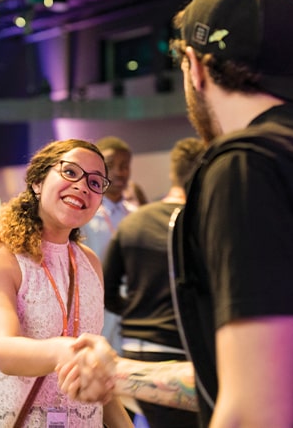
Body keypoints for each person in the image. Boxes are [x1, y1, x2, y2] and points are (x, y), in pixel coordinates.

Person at [64, 0, 293, 427]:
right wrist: (119, 372)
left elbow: (255, 410)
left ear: (194, 65)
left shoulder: (246, 170)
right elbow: (272, 373)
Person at [0, 139, 132, 428]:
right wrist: (70, 352)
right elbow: (3, 350)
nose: (82, 186)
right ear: (38, 182)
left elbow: (96, 386)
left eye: (94, 182)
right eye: (70, 172)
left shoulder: (89, 263)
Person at [102, 136, 204, 427]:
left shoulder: (132, 220)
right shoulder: (198, 224)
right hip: (177, 352)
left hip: (130, 349)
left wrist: (137, 311)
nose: (121, 172)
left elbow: (107, 291)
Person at [82, 136, 138, 353]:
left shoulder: (135, 215)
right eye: (111, 165)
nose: (120, 172)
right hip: (96, 304)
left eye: (125, 166)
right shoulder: (84, 215)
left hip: (128, 304)